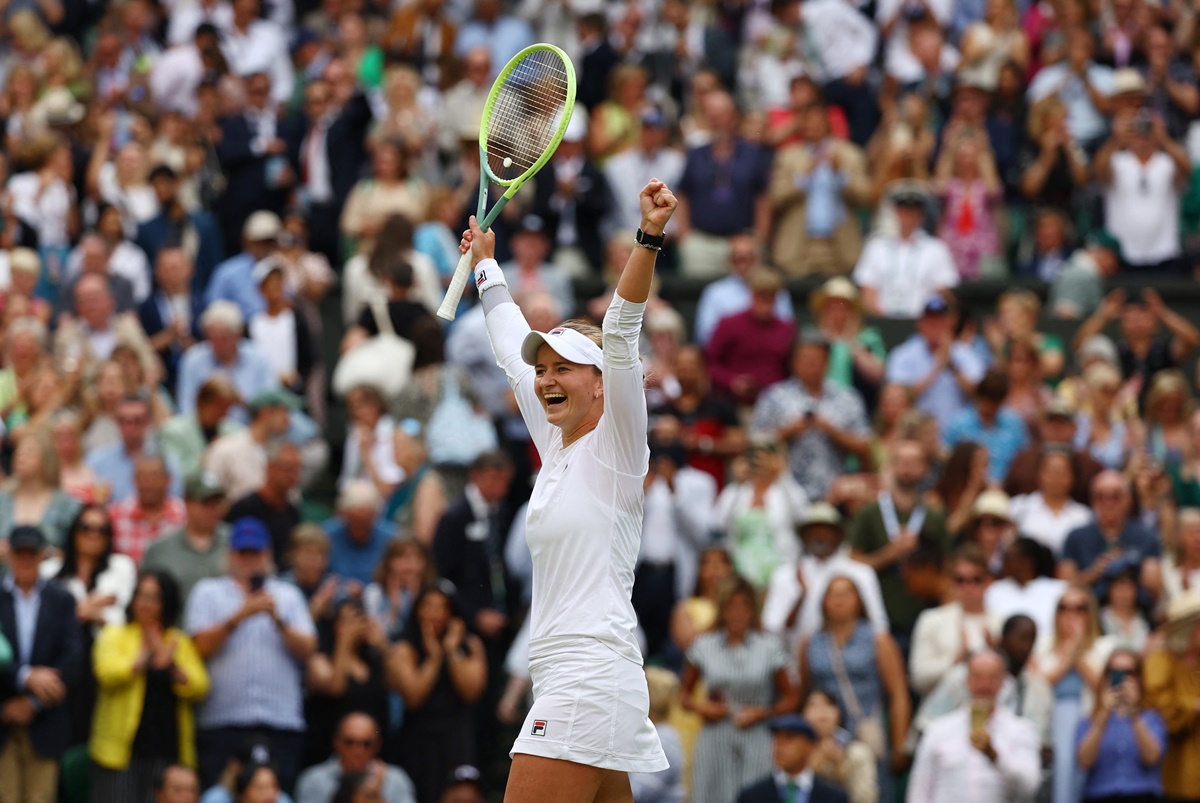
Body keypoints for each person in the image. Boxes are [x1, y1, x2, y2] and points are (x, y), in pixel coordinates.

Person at [459, 178, 677, 801]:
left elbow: (623, 323)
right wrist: (488, 265)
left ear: (602, 381)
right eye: (544, 369)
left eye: (564, 368)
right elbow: (508, 345)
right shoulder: (554, 438)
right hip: (567, 673)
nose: (547, 379)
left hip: (587, 672)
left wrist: (648, 236)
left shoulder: (619, 443)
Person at [185, 518, 317, 790]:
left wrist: (278, 620)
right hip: (223, 720)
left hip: (279, 721)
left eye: (255, 553)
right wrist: (239, 617)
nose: (249, 560)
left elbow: (308, 649)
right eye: (243, 553)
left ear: (267, 554)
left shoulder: (287, 595)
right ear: (230, 554)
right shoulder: (208, 593)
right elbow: (197, 647)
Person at [90, 572, 211, 801]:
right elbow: (106, 673)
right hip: (120, 752)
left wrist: (173, 667)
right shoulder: (115, 635)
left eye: (154, 598)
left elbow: (201, 686)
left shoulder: (177, 641)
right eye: (142, 596)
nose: (146, 604)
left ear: (166, 603)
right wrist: (144, 658)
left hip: (166, 752)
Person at [681, 577, 798, 803]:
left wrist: (763, 713)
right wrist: (703, 708)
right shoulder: (703, 646)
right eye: (731, 606)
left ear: (753, 610)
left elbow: (792, 697)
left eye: (744, 605)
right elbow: (684, 696)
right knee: (710, 795)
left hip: (756, 734)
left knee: (756, 795)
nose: (737, 613)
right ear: (722, 610)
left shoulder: (770, 648)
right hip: (714, 735)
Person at [799, 577, 910, 794]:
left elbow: (898, 693)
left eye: (846, 594)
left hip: (867, 730)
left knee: (870, 791)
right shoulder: (811, 643)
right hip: (826, 735)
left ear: (858, 600)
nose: (839, 601)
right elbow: (805, 692)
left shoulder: (878, 640)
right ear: (823, 602)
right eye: (833, 595)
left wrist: (899, 743)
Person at [0, 526, 83, 803]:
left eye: (31, 553)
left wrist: (33, 702)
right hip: (3, 717)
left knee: (41, 797)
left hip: (46, 719)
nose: (25, 559)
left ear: (42, 556)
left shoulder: (61, 599)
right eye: (19, 553)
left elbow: (72, 659)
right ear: (9, 555)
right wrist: (24, 678)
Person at [390, 583, 487, 803]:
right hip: (419, 739)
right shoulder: (404, 649)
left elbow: (471, 692)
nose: (435, 614)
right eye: (428, 606)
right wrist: (433, 658)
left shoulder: (470, 645)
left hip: (458, 737)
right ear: (416, 610)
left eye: (442, 607)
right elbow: (413, 697)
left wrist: (451, 651)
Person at [750, 331, 872, 501]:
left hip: (834, 491)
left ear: (828, 362)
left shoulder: (848, 398)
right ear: (793, 361)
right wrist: (788, 431)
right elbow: (754, 443)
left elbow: (865, 447)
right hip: (782, 491)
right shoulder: (773, 397)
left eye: (817, 359)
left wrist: (832, 431)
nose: (811, 364)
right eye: (805, 358)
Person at [906, 650, 1041, 803]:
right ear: (967, 680)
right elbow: (919, 791)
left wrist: (994, 756)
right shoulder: (938, 730)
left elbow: (1030, 787)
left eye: (992, 678)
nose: (984, 685)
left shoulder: (1021, 730)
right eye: (977, 677)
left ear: (1003, 681)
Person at [761, 502, 889, 651]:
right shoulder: (784, 575)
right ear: (803, 536)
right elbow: (772, 629)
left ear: (839, 535)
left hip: (853, 662)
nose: (819, 536)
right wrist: (801, 596)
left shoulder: (861, 573)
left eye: (826, 530)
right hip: (795, 661)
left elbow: (878, 627)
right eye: (813, 531)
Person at [1035, 585, 1119, 803]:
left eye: (1079, 608)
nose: (1071, 615)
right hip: (1049, 723)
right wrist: (1067, 656)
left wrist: (1078, 655)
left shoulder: (1106, 646)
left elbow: (1106, 690)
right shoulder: (1042, 644)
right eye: (1064, 608)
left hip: (1093, 721)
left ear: (1090, 613)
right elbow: (1038, 687)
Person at [909, 545, 1004, 697]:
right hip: (941, 713)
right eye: (960, 580)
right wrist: (956, 660)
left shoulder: (1002, 622)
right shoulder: (931, 620)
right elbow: (918, 679)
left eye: (976, 580)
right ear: (951, 581)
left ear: (988, 581)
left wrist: (998, 652)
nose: (968, 587)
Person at [1075, 648, 1166, 802]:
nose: (1122, 679)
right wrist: (1104, 712)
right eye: (1114, 672)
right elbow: (1084, 761)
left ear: (1139, 677)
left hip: (1142, 796)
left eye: (1129, 673)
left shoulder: (1152, 718)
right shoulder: (1089, 720)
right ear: (1105, 676)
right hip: (1100, 796)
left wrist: (1134, 713)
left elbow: (1151, 758)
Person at [852, 189, 958, 319]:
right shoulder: (876, 247)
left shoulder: (937, 249)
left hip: (923, 324)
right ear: (895, 212)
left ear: (922, 215)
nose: (907, 215)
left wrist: (927, 320)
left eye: (913, 211)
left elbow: (942, 292)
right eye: (903, 210)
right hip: (882, 322)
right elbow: (867, 290)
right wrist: (884, 319)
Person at [1060, 471, 1163, 604]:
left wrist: (1128, 569)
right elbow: (1063, 588)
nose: (1108, 503)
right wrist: (1095, 572)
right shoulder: (1076, 537)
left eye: (1116, 496)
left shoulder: (1146, 536)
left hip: (1137, 614)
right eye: (1101, 497)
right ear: (1092, 501)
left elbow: (1156, 592)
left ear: (1128, 500)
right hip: (1091, 614)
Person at [1144, 589, 1200, 802]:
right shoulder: (1161, 660)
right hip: (1175, 775)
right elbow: (1161, 713)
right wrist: (1193, 706)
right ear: (1186, 630)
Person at [142, 473, 231, 607]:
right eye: (206, 503)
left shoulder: (236, 542)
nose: (213, 510)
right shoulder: (160, 549)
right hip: (177, 625)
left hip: (231, 625)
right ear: (187, 503)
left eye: (217, 503)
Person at [294, 712, 415, 803]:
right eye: (349, 742)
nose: (357, 750)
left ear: (377, 746)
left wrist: (378, 796)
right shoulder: (314, 781)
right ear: (336, 742)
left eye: (366, 744)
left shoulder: (395, 779)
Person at [736, 714, 849, 803]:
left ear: (809, 747)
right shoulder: (751, 796)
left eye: (789, 738)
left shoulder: (834, 797)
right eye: (777, 738)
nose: (779, 746)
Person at [801, 690, 877, 803]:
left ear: (839, 714)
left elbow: (866, 800)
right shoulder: (795, 753)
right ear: (802, 714)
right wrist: (811, 769)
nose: (822, 711)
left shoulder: (858, 753)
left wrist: (841, 767)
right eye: (813, 705)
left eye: (829, 704)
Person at [322, 481, 396, 587]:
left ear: (375, 517)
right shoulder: (326, 536)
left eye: (364, 522)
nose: (358, 529)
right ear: (343, 516)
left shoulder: (392, 539)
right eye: (353, 522)